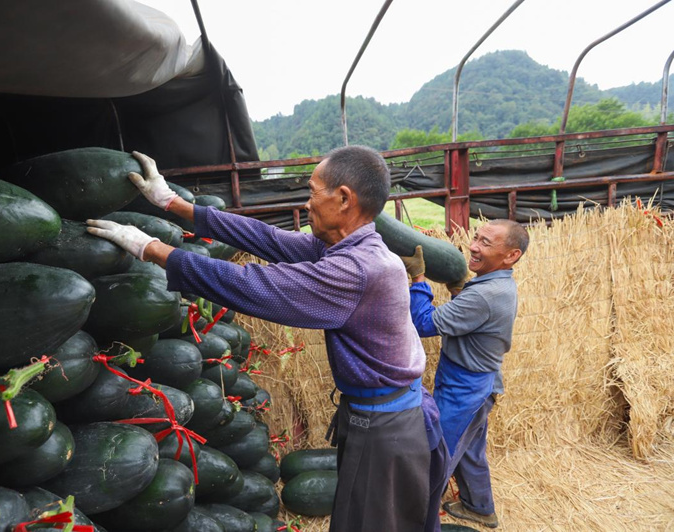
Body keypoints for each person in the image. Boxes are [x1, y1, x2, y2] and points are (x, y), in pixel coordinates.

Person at [87, 146, 447, 532]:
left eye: (312, 192)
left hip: (386, 427)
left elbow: (253, 285)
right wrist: (174, 204)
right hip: (391, 416)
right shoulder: (355, 246)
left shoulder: (357, 269)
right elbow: (268, 239)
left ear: (343, 199)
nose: (307, 203)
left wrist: (151, 248)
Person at [402, 220, 529, 529]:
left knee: (437, 455)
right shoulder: (493, 284)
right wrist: (457, 287)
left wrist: (418, 277)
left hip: (466, 388)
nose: (473, 246)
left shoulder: (487, 294)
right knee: (469, 450)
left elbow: (423, 323)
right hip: (479, 382)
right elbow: (469, 318)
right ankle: (479, 507)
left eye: (486, 243)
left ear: (511, 256)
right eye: (476, 238)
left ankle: (417, 520)